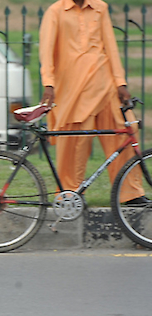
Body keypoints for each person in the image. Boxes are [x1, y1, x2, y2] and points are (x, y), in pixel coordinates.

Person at [39, 0, 147, 205]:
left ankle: (130, 193)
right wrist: (49, 84)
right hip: (73, 89)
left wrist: (120, 82)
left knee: (124, 130)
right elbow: (46, 51)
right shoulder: (55, 12)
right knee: (74, 141)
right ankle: (69, 192)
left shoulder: (100, 8)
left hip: (104, 84)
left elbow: (111, 47)